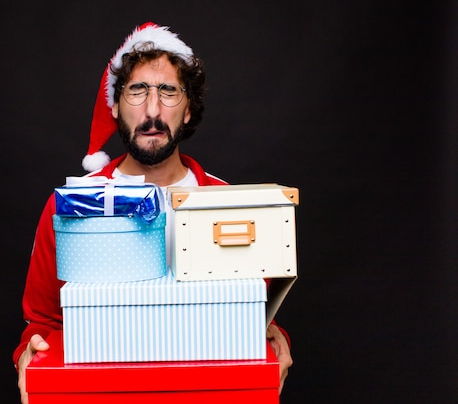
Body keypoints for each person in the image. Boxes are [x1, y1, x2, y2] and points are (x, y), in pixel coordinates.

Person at [14, 22, 293, 403]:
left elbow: (249, 311)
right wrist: (29, 355)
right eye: (137, 91)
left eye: (168, 91)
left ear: (189, 109)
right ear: (114, 104)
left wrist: (274, 339)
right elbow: (43, 321)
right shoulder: (72, 206)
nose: (152, 110)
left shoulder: (229, 202)